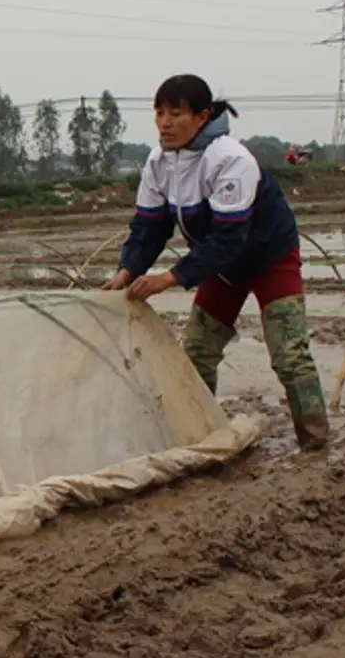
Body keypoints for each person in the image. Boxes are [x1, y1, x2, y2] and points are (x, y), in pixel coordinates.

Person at [104, 74, 329, 451]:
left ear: (203, 116)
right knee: (196, 354)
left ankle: (317, 444)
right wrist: (128, 271)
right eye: (159, 112)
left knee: (289, 355)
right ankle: (200, 440)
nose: (165, 123)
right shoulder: (159, 162)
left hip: (267, 256)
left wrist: (170, 278)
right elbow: (149, 227)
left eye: (177, 113)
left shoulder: (229, 159)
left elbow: (229, 239)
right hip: (221, 266)